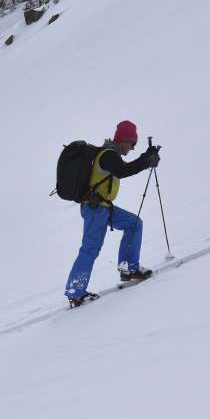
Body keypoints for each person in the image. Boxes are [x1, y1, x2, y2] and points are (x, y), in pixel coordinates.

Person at [64, 120, 161, 307]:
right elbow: (123, 171)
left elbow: (124, 168)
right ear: (123, 140)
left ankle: (128, 268)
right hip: (95, 209)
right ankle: (75, 292)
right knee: (90, 249)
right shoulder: (108, 155)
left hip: (103, 207)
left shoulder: (112, 155)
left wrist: (145, 158)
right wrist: (145, 160)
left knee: (134, 224)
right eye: (132, 143)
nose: (132, 147)